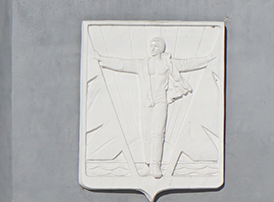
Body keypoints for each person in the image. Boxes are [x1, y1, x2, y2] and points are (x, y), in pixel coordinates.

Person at [93, 35, 220, 179]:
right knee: (146, 133)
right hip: (146, 101)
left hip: (161, 99)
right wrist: (102, 59)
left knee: (158, 132)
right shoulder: (142, 64)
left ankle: (156, 165)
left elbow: (186, 64)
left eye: (156, 46)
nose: (153, 49)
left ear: (161, 49)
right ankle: (147, 165)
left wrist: (206, 60)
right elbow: (122, 64)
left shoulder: (168, 64)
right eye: (151, 46)